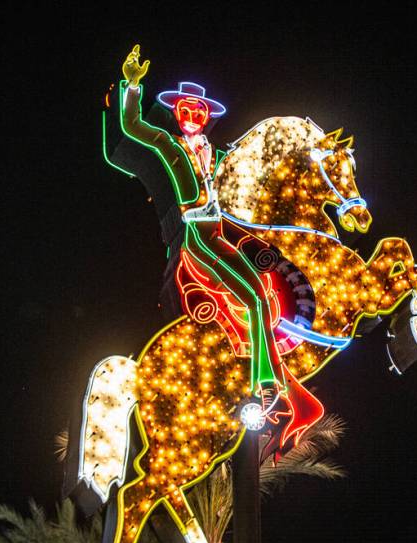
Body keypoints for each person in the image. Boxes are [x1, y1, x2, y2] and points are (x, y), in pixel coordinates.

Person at [115, 45, 289, 418]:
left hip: (220, 234)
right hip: (196, 237)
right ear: (177, 113)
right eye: (185, 110)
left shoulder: (219, 155)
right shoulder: (170, 146)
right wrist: (131, 86)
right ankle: (266, 380)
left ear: (207, 116)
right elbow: (132, 127)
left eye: (199, 111)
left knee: (258, 295)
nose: (192, 115)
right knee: (254, 294)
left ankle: (267, 382)